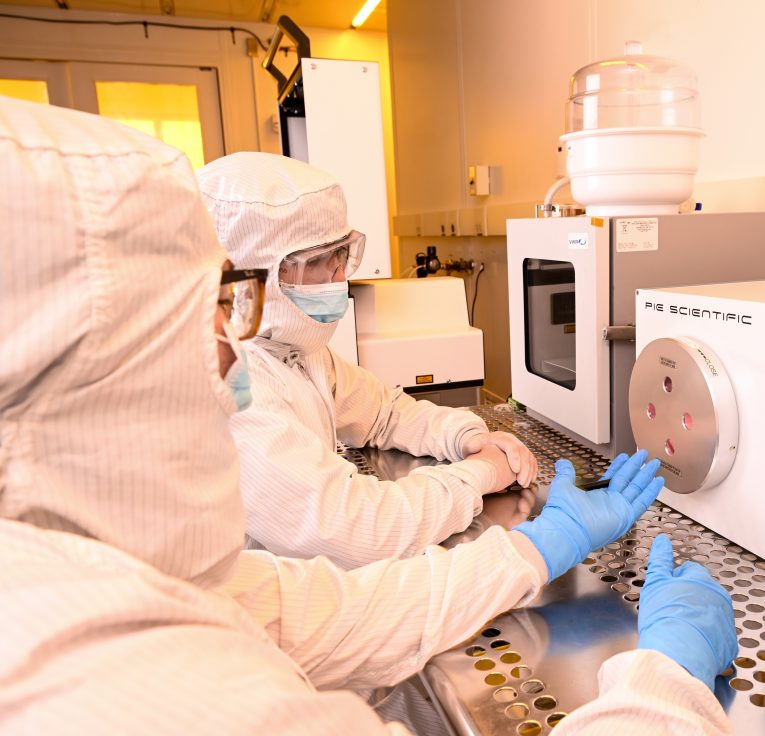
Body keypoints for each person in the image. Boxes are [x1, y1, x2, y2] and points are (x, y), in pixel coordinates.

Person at [0, 95, 737, 736]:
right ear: (94, 376)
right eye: (211, 317)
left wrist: (540, 546)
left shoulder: (111, 574)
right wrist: (667, 678)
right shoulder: (102, 685)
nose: (230, 365)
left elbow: (340, 614)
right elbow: (351, 535)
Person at [196, 152, 541, 569]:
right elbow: (357, 529)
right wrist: (481, 473)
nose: (336, 282)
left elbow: (384, 411)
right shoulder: (233, 379)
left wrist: (467, 436)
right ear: (252, 276)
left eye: (340, 259)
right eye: (315, 266)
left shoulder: (299, 353)